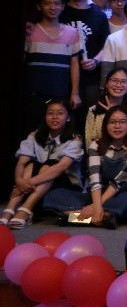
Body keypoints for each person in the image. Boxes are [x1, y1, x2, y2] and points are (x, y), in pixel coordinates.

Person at [44, 104, 127, 228]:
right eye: (112, 122)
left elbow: (119, 182)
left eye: (122, 122)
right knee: (54, 195)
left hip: (122, 193)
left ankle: (73, 217)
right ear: (105, 126)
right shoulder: (96, 145)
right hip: (97, 194)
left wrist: (94, 206)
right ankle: (103, 218)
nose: (117, 126)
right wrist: (96, 205)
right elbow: (94, 179)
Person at [3, 98, 83, 230]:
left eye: (60, 113)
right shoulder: (34, 136)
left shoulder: (75, 139)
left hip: (65, 187)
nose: (54, 117)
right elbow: (21, 162)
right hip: (35, 187)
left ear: (68, 117)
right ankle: (10, 209)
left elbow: (61, 167)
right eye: (50, 113)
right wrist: (19, 181)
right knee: (30, 164)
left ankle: (25, 210)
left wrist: (27, 183)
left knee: (50, 164)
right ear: (45, 116)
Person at [24, 0, 82, 131]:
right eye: (47, 3)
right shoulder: (30, 31)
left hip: (60, 91)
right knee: (32, 130)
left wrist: (75, 93)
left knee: (59, 131)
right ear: (39, 6)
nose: (52, 7)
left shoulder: (72, 32)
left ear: (63, 6)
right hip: (34, 92)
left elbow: (74, 63)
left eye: (56, 3)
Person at [84, 66, 127, 144]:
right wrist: (110, 114)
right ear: (106, 84)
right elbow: (89, 140)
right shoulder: (94, 110)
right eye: (114, 80)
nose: (118, 85)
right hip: (99, 150)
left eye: (123, 81)